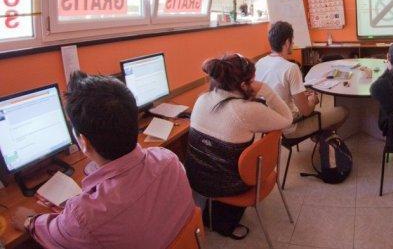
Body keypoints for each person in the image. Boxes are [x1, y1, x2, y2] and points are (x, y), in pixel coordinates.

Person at [11, 71, 195, 249]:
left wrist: (29, 221)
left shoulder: (83, 218)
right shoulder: (169, 159)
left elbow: (52, 232)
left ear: (84, 142)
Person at [185, 53, 292, 240]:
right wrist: (265, 89)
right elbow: (287, 118)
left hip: (196, 181)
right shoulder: (247, 110)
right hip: (231, 186)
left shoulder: (201, 99)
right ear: (244, 84)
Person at [255, 21, 348, 139]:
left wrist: (300, 96)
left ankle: (318, 135)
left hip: (269, 127)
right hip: (290, 128)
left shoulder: (259, 63)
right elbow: (306, 111)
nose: (293, 43)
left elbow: (275, 93)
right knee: (343, 111)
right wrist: (313, 100)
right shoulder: (291, 68)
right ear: (287, 43)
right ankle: (323, 139)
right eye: (292, 40)